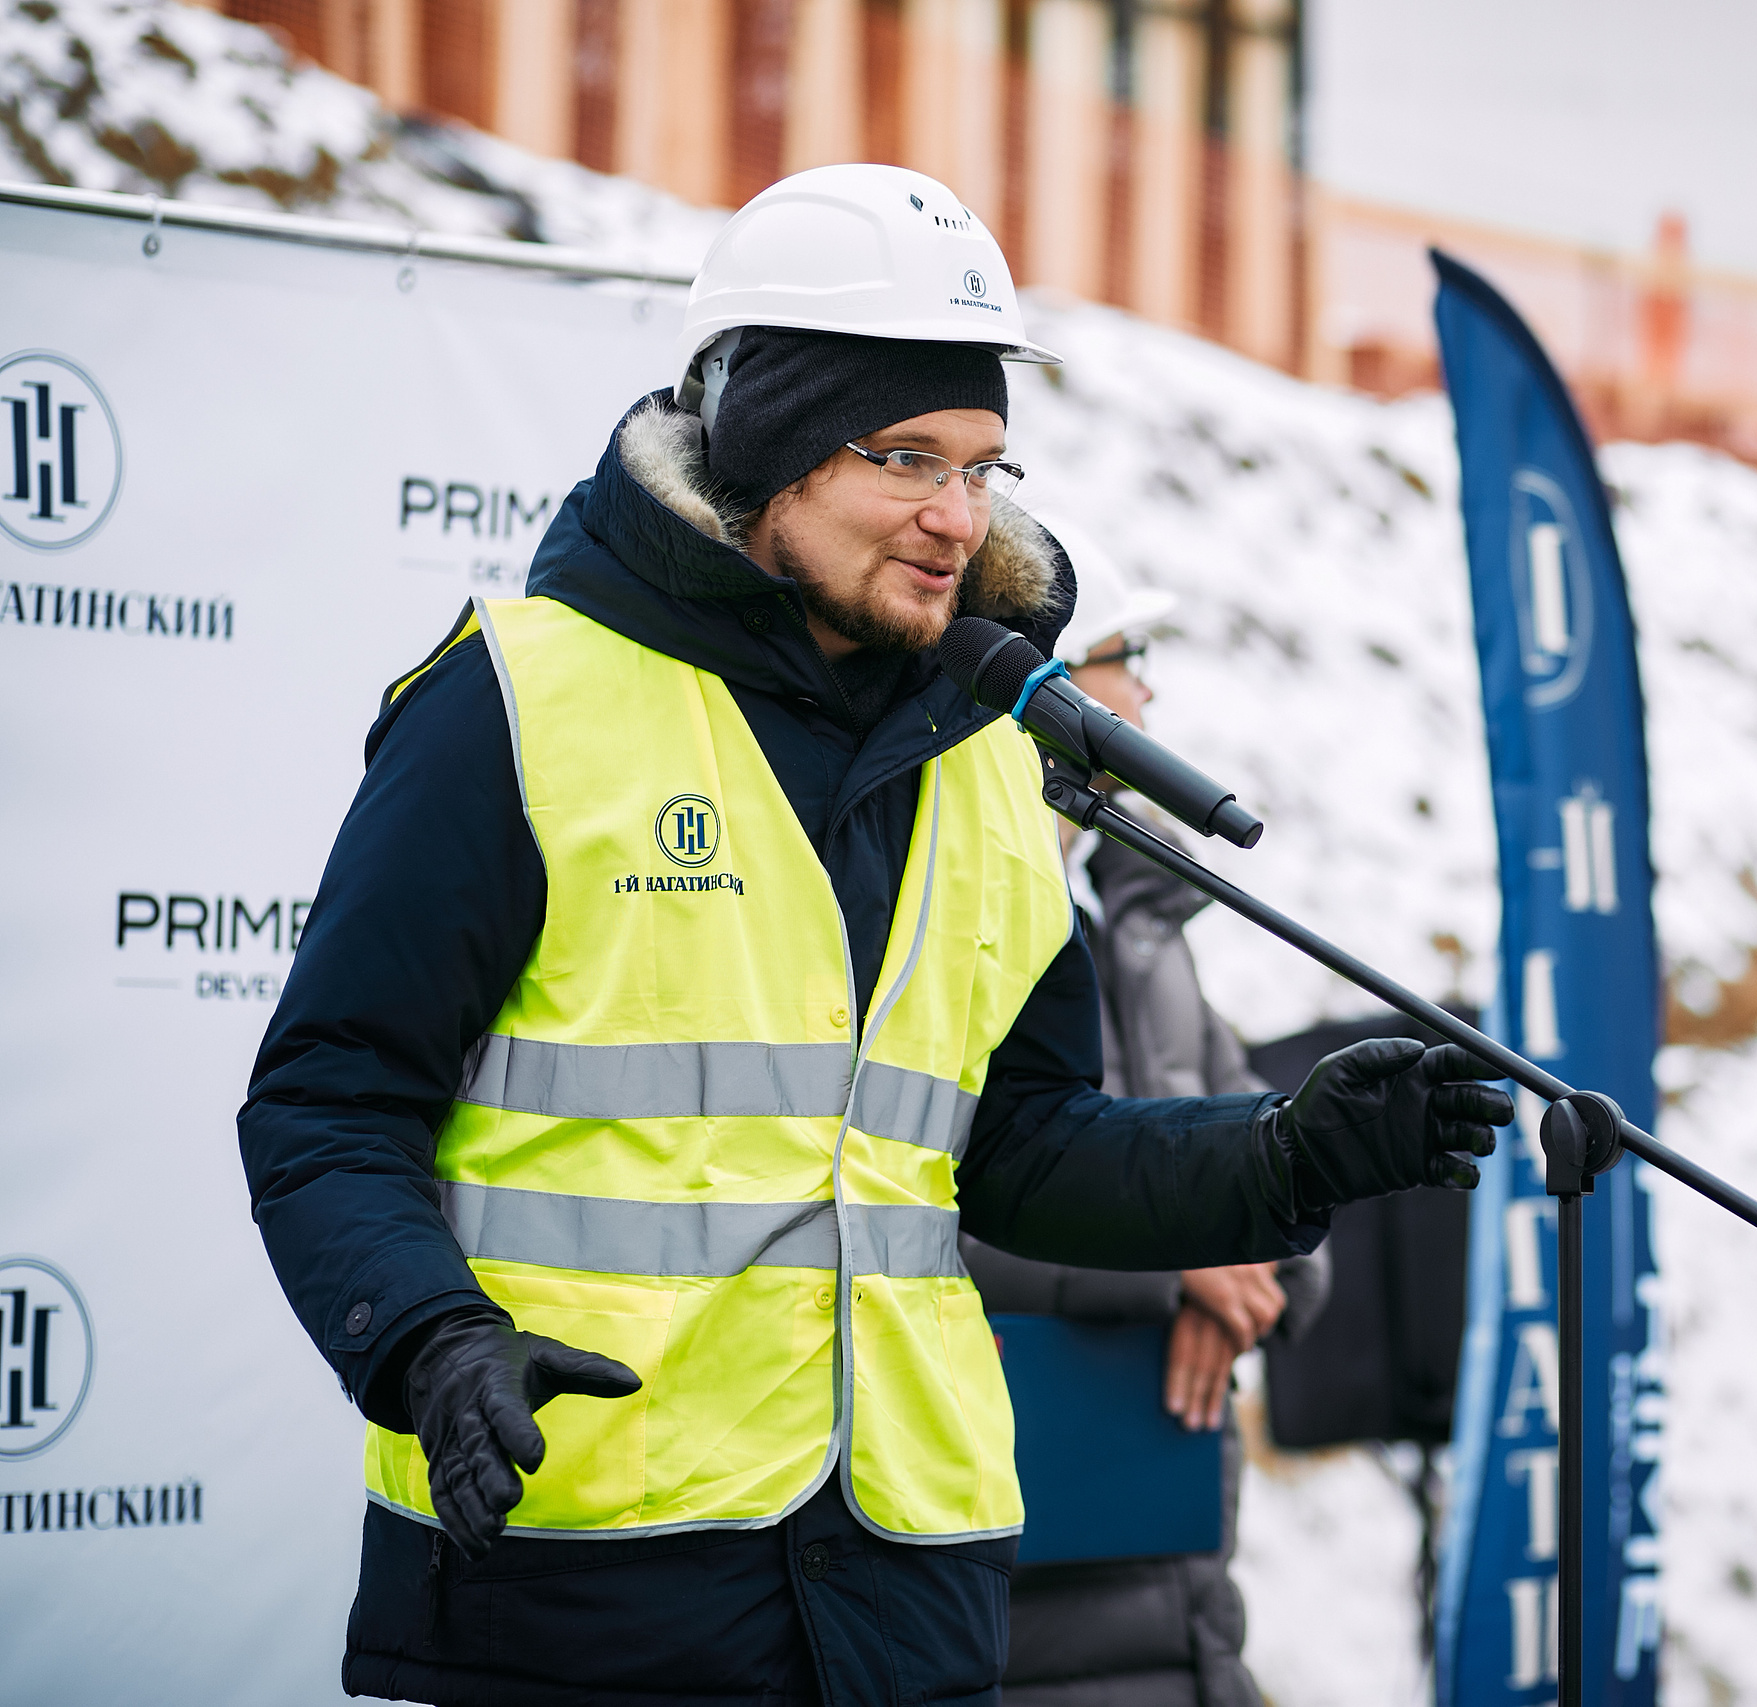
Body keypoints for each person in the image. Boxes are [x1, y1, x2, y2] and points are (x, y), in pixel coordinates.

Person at [235, 164, 1512, 1707]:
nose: (957, 517)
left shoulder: (986, 757)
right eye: (905, 456)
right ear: (766, 449)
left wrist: (1286, 1155)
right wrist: (428, 1339)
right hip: (587, 1575)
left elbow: (1021, 1150)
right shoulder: (519, 703)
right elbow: (326, 1103)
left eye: (983, 464)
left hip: (911, 1594)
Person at [960, 515, 1316, 1706]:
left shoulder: (1147, 924)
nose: (1146, 691)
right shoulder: (939, 902)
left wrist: (1245, 1266)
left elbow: (1272, 1192)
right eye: (1126, 652)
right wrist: (1172, 1275)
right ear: (1046, 681)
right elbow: (909, 1203)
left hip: (1177, 1590)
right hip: (1013, 1594)